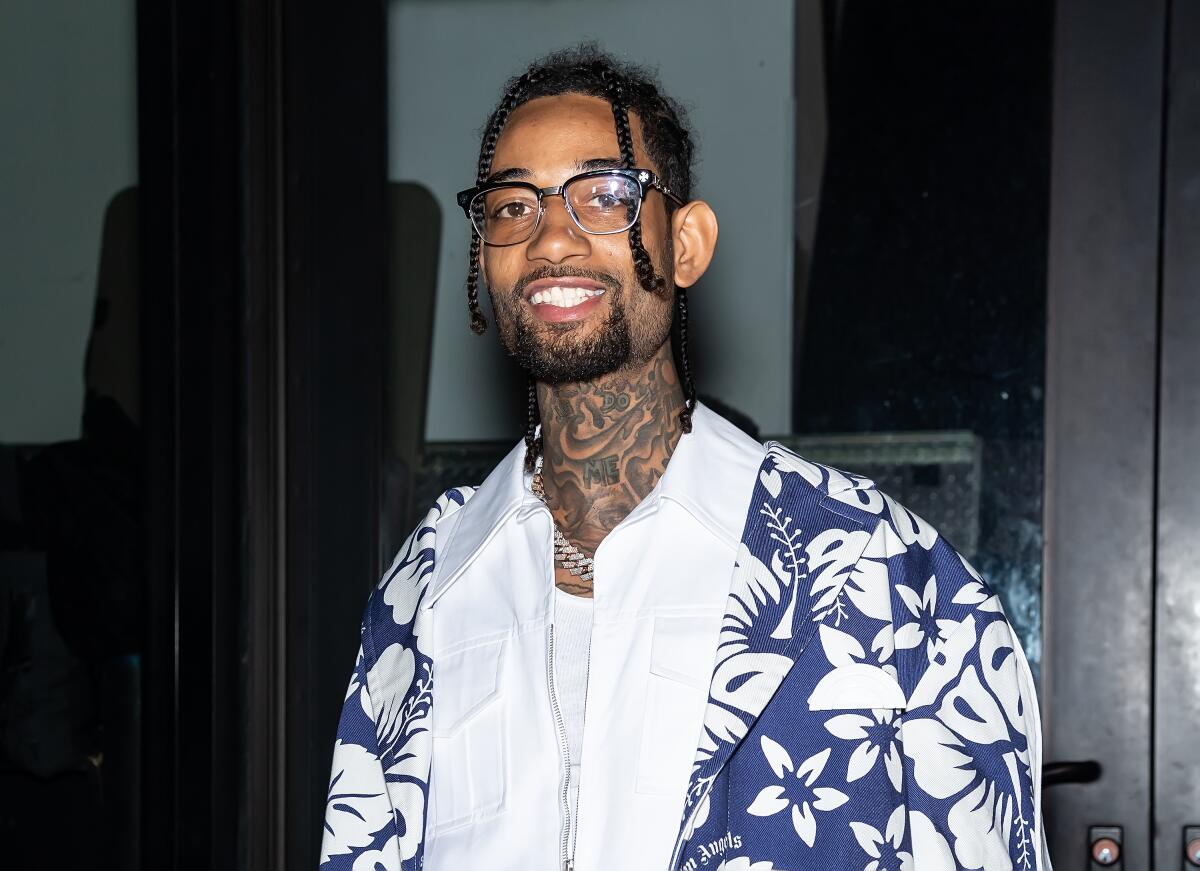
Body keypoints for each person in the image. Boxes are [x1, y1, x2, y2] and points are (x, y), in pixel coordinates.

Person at [320, 45, 1050, 871]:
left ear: (688, 244)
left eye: (606, 194)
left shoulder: (889, 578)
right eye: (512, 206)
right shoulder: (427, 588)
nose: (551, 235)